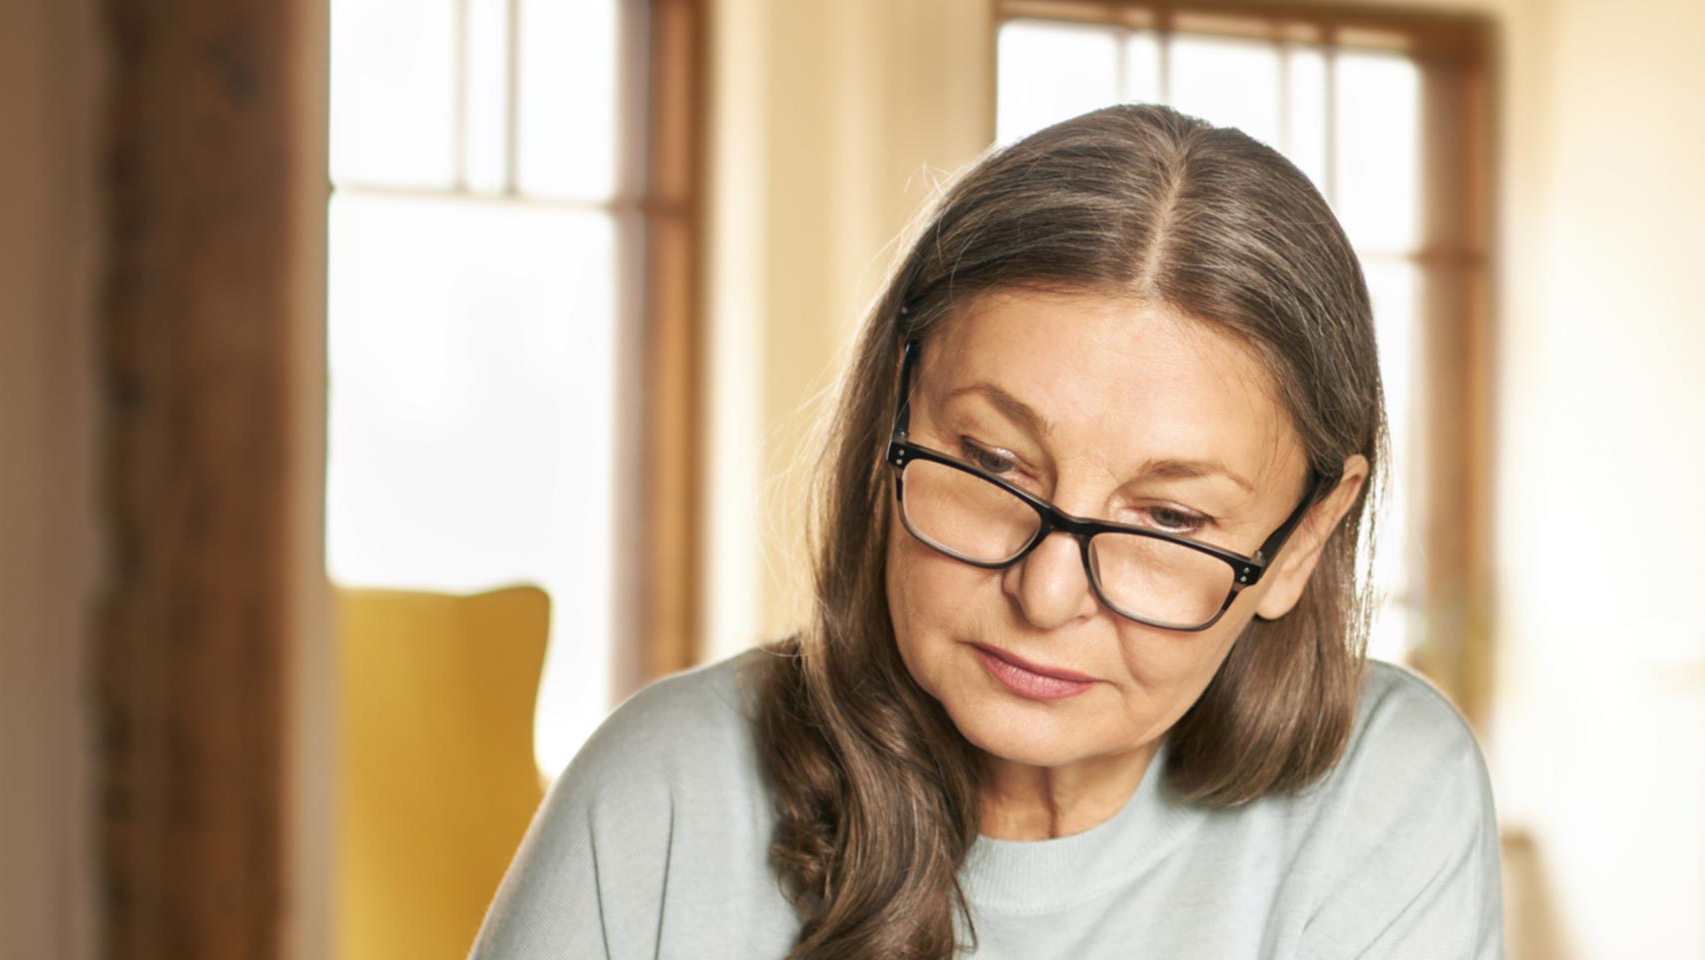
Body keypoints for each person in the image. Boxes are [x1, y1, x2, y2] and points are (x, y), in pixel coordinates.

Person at [467, 103, 1503, 959]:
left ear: (1306, 539)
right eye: (993, 465)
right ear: (891, 420)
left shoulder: (1385, 797)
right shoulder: (659, 795)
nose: (1047, 595)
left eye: (1171, 518)